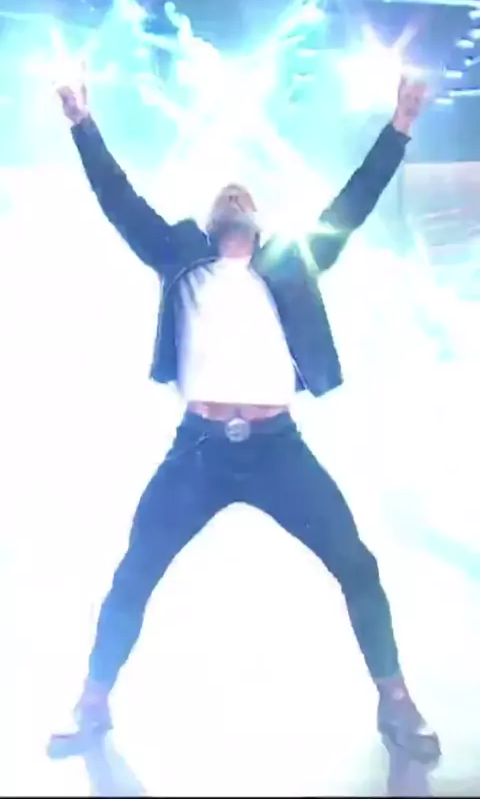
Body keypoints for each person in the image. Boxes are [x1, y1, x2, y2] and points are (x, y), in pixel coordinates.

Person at [50, 74, 440, 766]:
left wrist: (401, 125)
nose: (233, 197)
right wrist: (82, 122)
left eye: (244, 196)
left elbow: (353, 203)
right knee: (135, 573)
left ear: (258, 223)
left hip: (276, 449)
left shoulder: (291, 262)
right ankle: (92, 703)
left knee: (357, 565)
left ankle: (396, 699)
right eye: (224, 197)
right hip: (198, 450)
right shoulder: (179, 257)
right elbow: (117, 197)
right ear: (209, 223)